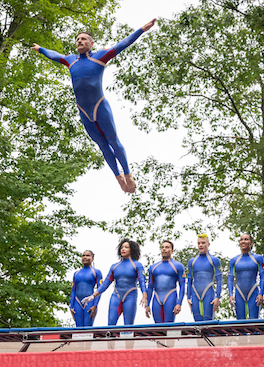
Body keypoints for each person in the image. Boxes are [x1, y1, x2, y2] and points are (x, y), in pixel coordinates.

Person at [31, 19, 157, 193]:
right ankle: (118, 177)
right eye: (78, 39)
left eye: (83, 39)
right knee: (102, 145)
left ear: (91, 43)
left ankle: (128, 174)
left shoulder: (100, 56)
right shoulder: (71, 60)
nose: (80, 41)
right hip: (84, 111)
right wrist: (41, 49)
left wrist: (141, 30)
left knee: (113, 141)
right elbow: (54, 55)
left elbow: (123, 44)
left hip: (100, 106)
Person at [82, 239, 147, 325]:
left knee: (128, 326)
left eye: (126, 247)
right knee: (111, 324)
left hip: (130, 295)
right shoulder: (115, 266)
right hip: (116, 295)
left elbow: (142, 281)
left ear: (131, 250)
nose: (123, 249)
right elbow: (105, 284)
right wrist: (93, 296)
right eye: (122, 247)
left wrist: (144, 296)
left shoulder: (137, 265)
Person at [145, 240, 186, 323]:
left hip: (170, 297)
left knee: (169, 326)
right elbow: (150, 287)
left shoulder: (178, 266)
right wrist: (147, 304)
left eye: (167, 247)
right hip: (156, 297)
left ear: (172, 251)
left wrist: (179, 303)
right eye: (162, 247)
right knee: (157, 327)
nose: (164, 249)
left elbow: (182, 286)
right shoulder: (153, 267)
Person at [228, 234, 264, 319]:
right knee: (240, 324)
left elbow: (263, 276)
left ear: (251, 243)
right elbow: (230, 278)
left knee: (254, 322)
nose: (243, 241)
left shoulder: (258, 258)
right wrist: (230, 295)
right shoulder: (234, 260)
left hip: (254, 292)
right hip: (239, 293)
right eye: (241, 240)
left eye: (246, 239)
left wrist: (261, 293)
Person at [187, 234, 222, 321]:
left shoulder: (214, 260)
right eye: (199, 243)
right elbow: (189, 281)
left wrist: (217, 297)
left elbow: (219, 280)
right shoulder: (192, 261)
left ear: (208, 244)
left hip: (208, 293)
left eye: (203, 243)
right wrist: (188, 297)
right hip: (195, 294)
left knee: (208, 323)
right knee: (197, 324)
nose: (201, 245)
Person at [70, 250, 104, 327]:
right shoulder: (76, 273)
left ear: (92, 258)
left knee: (87, 328)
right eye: (83, 255)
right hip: (77, 302)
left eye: (88, 255)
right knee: (78, 328)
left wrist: (95, 305)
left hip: (89, 302)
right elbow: (73, 290)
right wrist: (71, 306)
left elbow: (100, 289)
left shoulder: (96, 272)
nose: (85, 257)